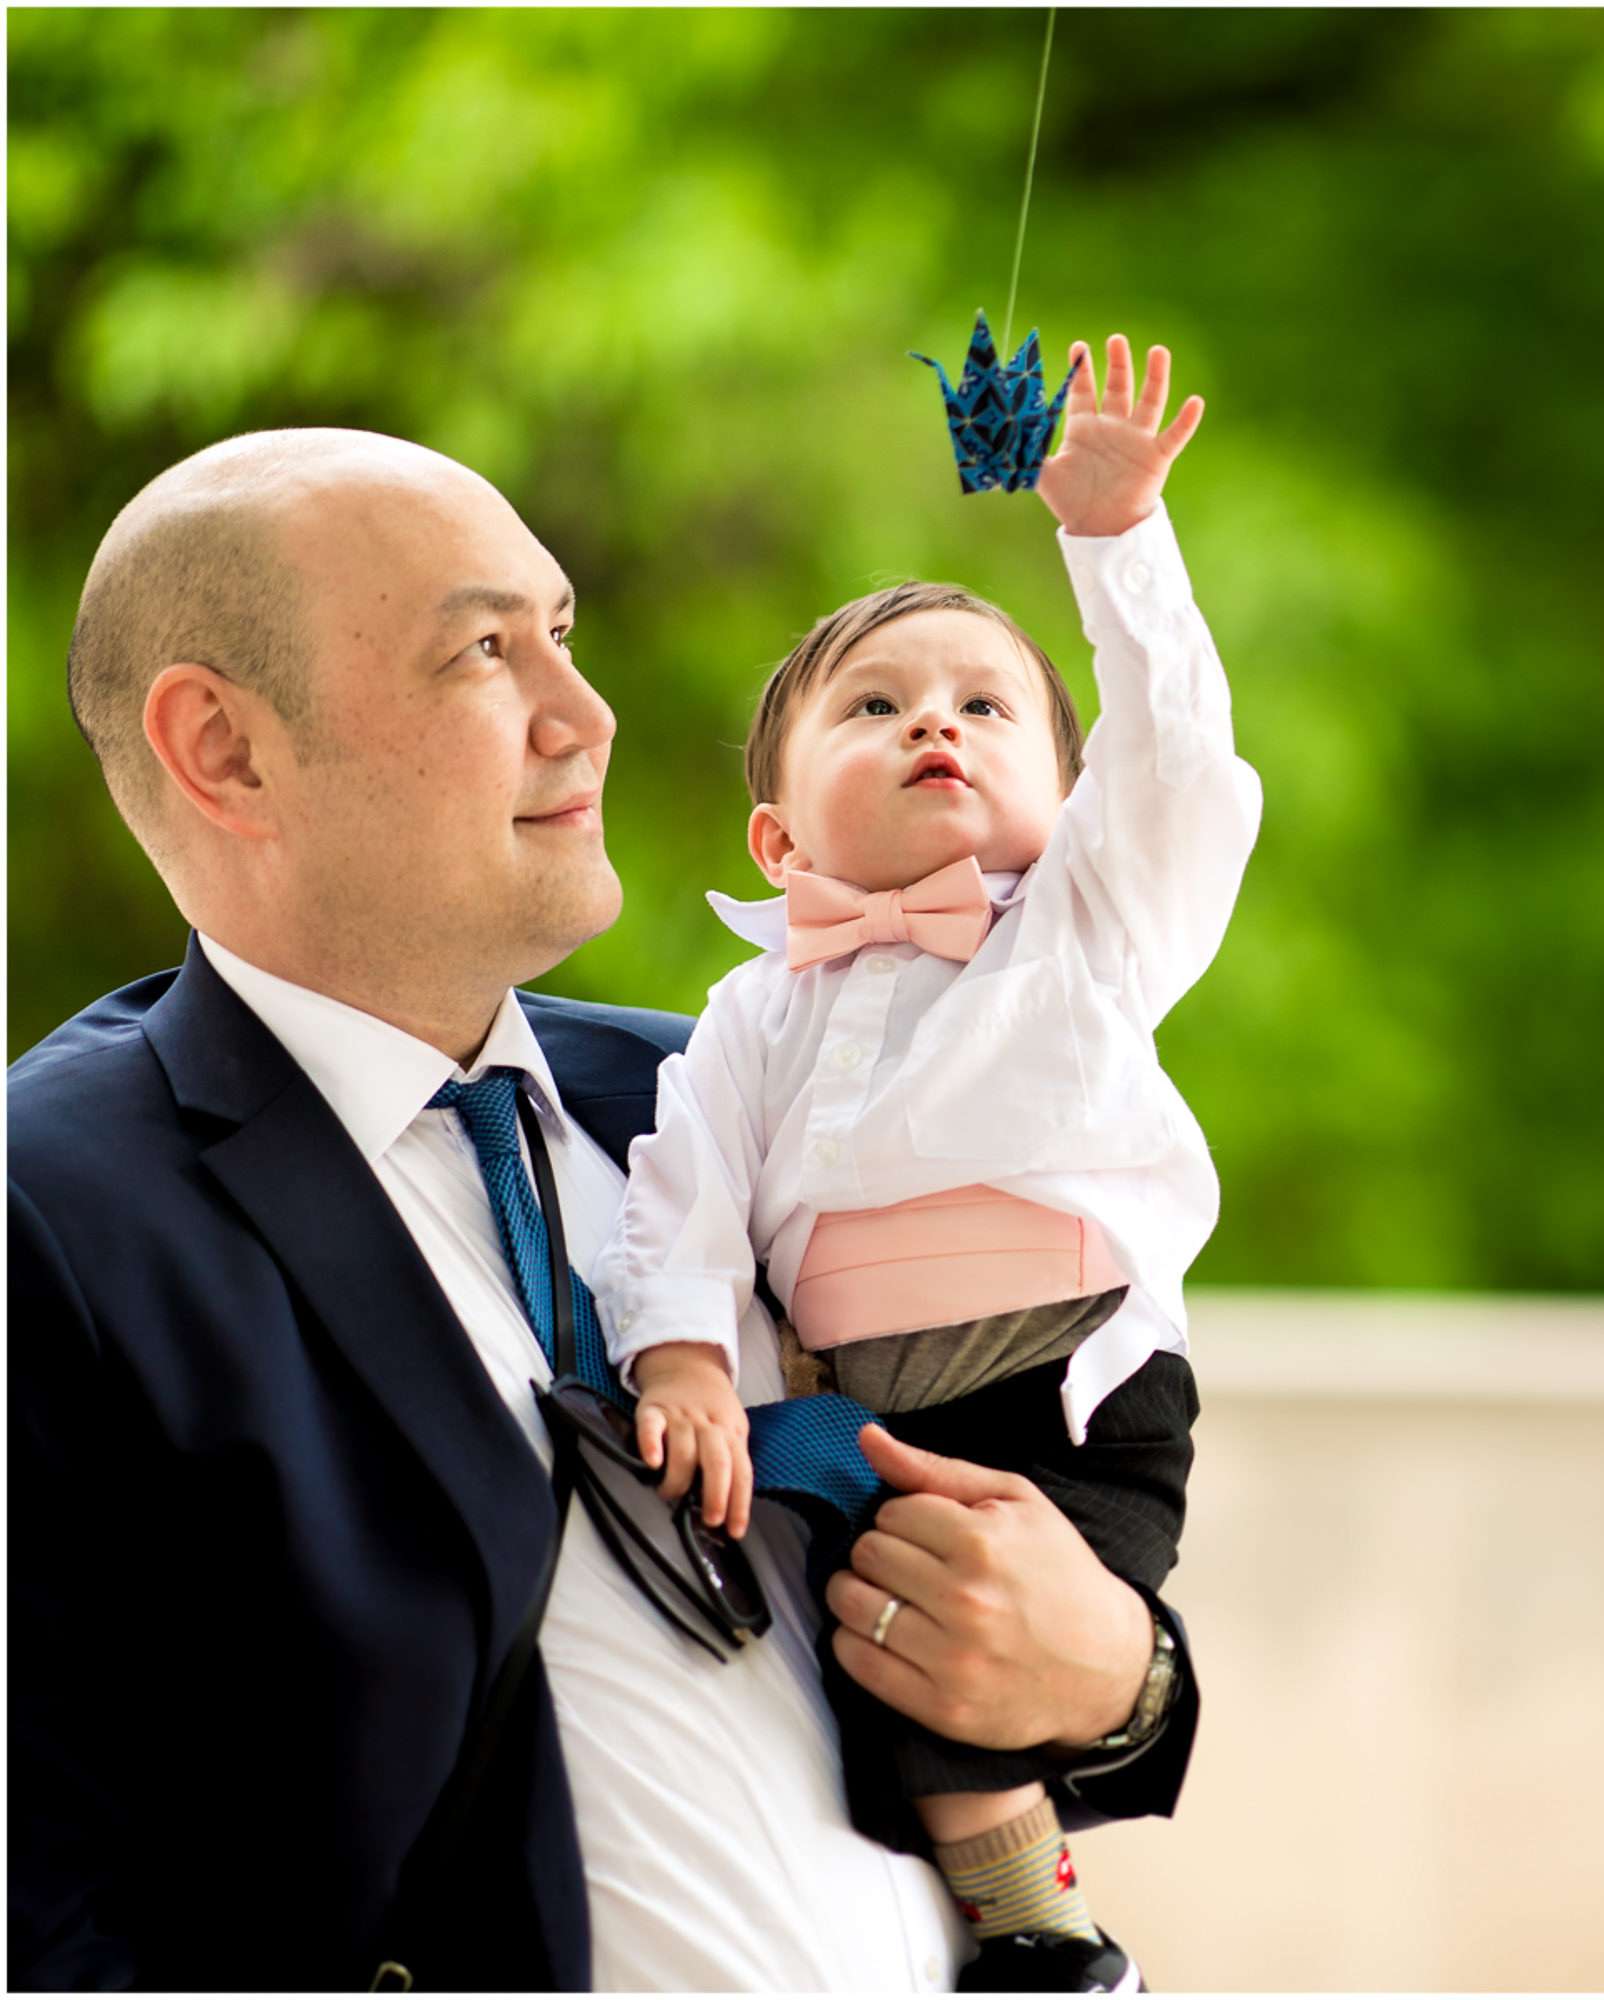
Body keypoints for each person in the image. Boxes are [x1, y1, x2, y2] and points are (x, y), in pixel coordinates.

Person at [10, 425, 1198, 1990]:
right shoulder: (57, 1212)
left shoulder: (733, 1097)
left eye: (561, 635)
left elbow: (1041, 1587)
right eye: (486, 652)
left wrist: (1116, 1676)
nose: (588, 716)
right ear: (226, 752)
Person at [605, 333, 1246, 1991]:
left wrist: (1114, 540)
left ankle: (1041, 1936)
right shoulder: (753, 1012)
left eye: (984, 708)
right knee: (886, 1660)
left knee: (980, 1662)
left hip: (1069, 1380)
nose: (934, 727)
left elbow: (1177, 760)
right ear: (779, 835)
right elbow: (681, 1199)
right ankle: (1000, 1903)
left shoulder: (1090, 932)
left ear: (1067, 793)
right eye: (876, 707)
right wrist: (677, 1350)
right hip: (869, 1393)